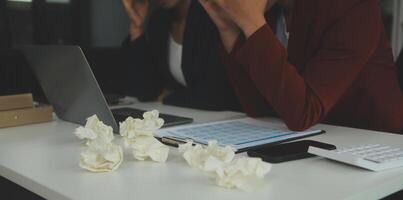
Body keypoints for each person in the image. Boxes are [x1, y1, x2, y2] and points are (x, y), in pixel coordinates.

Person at [199, 0, 403, 133]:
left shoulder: (352, 7)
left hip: (376, 149)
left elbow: (303, 113)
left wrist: (251, 23)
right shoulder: (272, 11)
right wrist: (228, 30)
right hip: (315, 144)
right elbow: (259, 107)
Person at [116, 0, 240, 111]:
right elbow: (146, 91)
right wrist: (137, 27)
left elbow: (214, 96)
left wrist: (168, 96)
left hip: (233, 119)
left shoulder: (212, 15)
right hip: (195, 117)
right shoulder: (159, 19)